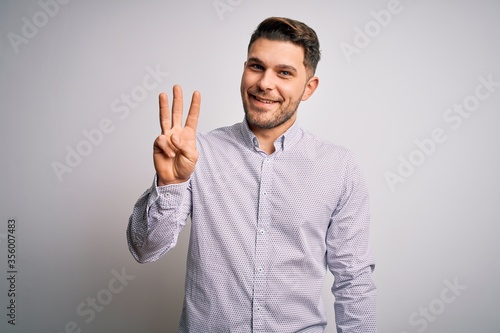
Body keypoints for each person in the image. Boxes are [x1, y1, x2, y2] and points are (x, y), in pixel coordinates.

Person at [127, 17, 377, 333]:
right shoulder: (197, 153)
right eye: (257, 67)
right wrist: (170, 183)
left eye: (284, 72)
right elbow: (145, 249)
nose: (264, 83)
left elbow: (354, 279)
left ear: (308, 87)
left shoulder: (339, 167)